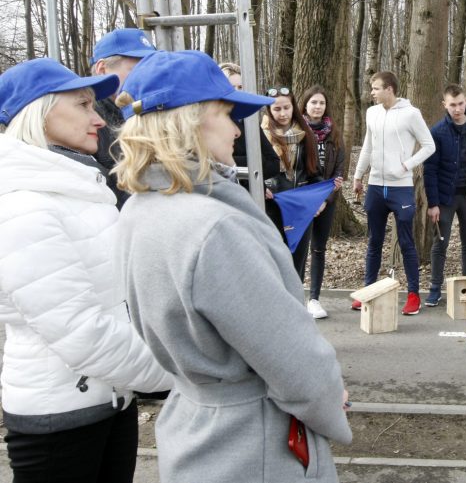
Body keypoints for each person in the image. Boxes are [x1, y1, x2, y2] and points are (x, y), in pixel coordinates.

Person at [112, 50, 352, 483]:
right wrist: (330, 404)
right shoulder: (213, 228)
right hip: (251, 444)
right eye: (225, 114)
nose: (234, 129)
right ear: (188, 121)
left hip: (193, 427)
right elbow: (293, 360)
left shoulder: (139, 211)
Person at [0, 58, 172, 483]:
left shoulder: (76, 189)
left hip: (111, 397)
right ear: (37, 112)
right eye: (82, 105)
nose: (98, 118)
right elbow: (79, 329)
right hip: (60, 418)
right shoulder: (24, 205)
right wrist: (174, 375)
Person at [352, 71, 435, 315]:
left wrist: (406, 165)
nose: (372, 93)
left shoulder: (411, 114)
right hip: (376, 187)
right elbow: (368, 145)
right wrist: (358, 176)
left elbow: (429, 145)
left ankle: (413, 296)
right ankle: (368, 291)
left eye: (376, 88)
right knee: (374, 242)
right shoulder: (372, 113)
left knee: (407, 242)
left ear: (390, 89)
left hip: (401, 188)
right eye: (371, 88)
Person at [424, 84, 466, 306]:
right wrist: (433, 203)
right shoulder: (437, 132)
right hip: (445, 198)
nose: (457, 109)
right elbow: (430, 170)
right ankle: (435, 288)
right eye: (452, 105)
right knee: (440, 244)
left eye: (460, 103)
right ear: (444, 105)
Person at [261, 86, 330, 280]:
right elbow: (253, 173)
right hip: (270, 208)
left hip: (299, 209)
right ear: (268, 110)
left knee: (296, 266)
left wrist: (319, 200)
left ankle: (296, 307)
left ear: (293, 108)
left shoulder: (305, 135)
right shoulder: (258, 136)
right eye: (277, 109)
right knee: (272, 265)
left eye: (287, 108)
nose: (283, 114)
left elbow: (315, 173)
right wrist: (261, 187)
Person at [89, 28, 157, 207]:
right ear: (102, 69)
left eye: (149, 68)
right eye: (136, 69)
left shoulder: (150, 111)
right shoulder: (88, 123)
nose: (147, 77)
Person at [301, 85, 346, 319]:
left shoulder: (335, 135)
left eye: (321, 103)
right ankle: (293, 297)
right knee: (297, 249)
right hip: (301, 200)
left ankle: (314, 299)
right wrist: (309, 201)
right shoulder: (298, 132)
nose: (317, 107)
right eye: (313, 103)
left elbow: (338, 174)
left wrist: (324, 201)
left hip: (326, 202)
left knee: (318, 248)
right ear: (305, 105)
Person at [218, 62, 281, 188]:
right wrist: (256, 160)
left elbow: (274, 164)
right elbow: (216, 164)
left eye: (240, 87)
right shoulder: (214, 123)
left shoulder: (249, 121)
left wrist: (238, 161)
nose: (237, 92)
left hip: (255, 194)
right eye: (231, 87)